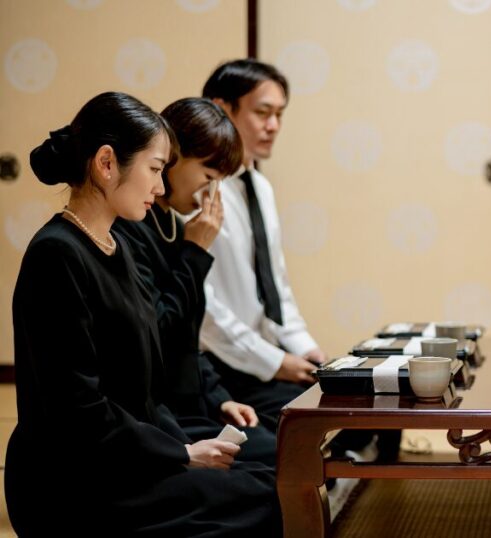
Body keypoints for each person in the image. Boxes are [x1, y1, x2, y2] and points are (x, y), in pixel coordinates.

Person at [6, 92, 280, 536]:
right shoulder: (56, 255)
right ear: (107, 163)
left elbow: (150, 388)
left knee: (268, 486)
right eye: (154, 169)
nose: (160, 185)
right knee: (267, 503)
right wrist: (182, 454)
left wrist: (188, 445)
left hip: (128, 459)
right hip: (73, 482)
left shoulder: (117, 249)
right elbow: (78, 410)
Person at [199, 59, 389, 458]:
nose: (273, 126)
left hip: (262, 355)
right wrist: (275, 362)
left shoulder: (260, 187)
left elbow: (277, 287)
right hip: (222, 366)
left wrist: (307, 350)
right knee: (315, 425)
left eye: (279, 115)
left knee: (376, 410)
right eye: (262, 112)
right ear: (222, 107)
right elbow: (206, 311)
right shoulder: (200, 191)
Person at [114, 97, 277, 467]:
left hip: (193, 401)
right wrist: (196, 253)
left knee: (286, 449)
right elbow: (160, 328)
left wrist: (220, 397)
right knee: (277, 465)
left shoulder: (175, 225)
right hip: (162, 414)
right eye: (207, 176)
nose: (210, 193)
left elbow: (190, 338)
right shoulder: (133, 230)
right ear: (173, 157)